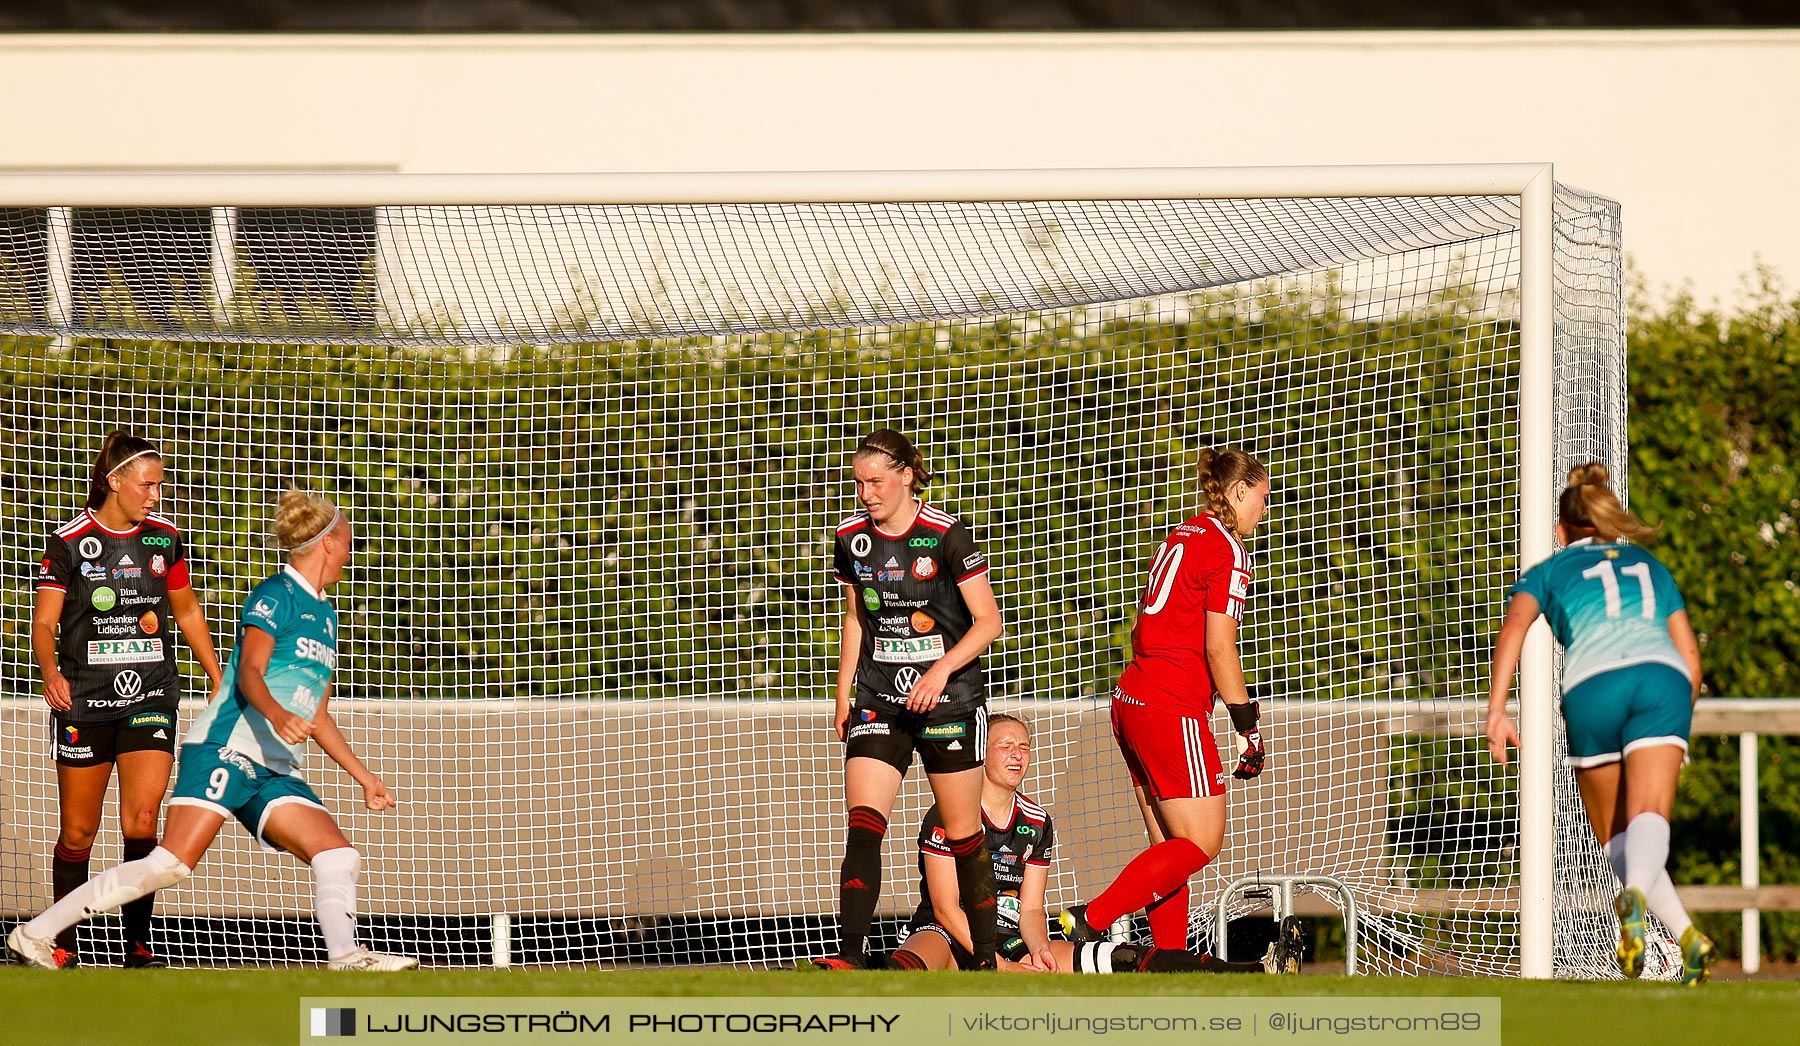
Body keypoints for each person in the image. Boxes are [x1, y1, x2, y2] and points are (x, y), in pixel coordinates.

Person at [9, 489, 417, 972]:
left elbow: (319, 715)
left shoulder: (326, 616)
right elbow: (249, 673)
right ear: (327, 543)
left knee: (337, 855)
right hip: (226, 747)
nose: (352, 549)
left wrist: (363, 776)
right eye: (348, 538)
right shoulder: (277, 595)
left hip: (273, 767)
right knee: (171, 864)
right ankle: (33, 933)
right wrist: (275, 713)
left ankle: (346, 957)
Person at [1485, 462, 1714, 985]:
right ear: (1606, 522)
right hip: (1664, 681)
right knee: (1652, 815)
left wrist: (1497, 711)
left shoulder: (1549, 570)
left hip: (1594, 686)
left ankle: (1653, 918)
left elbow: (1515, 627)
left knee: (1616, 834)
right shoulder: (1649, 565)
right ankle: (1684, 934)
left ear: (1562, 530)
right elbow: (1691, 657)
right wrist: (1678, 720)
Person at [885, 714, 1300, 975]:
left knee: (1119, 960)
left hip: (1010, 936)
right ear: (982, 754)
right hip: (949, 932)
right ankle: (850, 971)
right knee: (915, 964)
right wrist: (1001, 966)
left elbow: (1030, 909)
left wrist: (1039, 950)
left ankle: (1251, 972)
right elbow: (945, 907)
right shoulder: (949, 815)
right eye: (1005, 746)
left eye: (1024, 747)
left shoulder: (1036, 821)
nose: (1018, 755)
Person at [1058, 448, 1272, 954]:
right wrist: (1247, 726)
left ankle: (1169, 962)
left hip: (1132, 696)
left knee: (1169, 848)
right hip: (1171, 704)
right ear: (1239, 492)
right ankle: (1091, 918)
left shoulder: (1183, 533)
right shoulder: (1228, 550)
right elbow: (1220, 645)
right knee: (1201, 844)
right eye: (1262, 498)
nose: (1265, 511)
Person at [808, 429, 1006, 970]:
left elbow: (989, 622)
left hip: (949, 701)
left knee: (965, 837)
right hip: (879, 697)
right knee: (863, 821)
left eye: (875, 481)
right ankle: (848, 959)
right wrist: (844, 691)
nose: (866, 493)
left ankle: (987, 963)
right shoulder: (850, 538)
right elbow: (855, 617)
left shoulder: (947, 535)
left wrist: (940, 671)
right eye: (858, 483)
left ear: (906, 475)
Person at [31, 431, 224, 967]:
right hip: (83, 699)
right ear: (114, 482)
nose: (156, 495)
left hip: (151, 692)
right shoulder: (69, 542)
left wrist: (217, 674)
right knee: (78, 831)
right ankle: (59, 942)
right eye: (148, 484)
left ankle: (137, 944)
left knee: (142, 820)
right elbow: (45, 623)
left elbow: (184, 610)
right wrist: (50, 671)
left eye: (160, 486)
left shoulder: (166, 538)